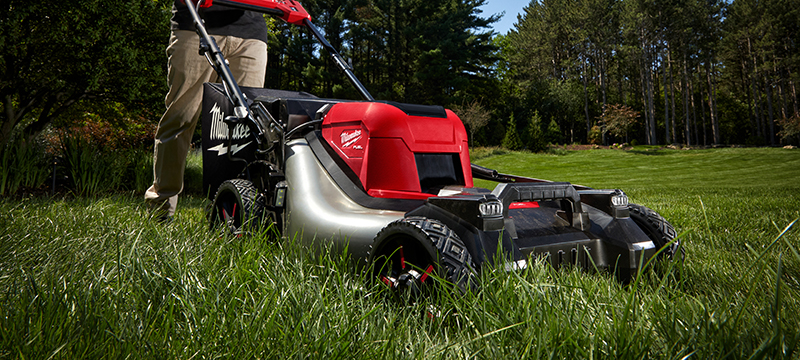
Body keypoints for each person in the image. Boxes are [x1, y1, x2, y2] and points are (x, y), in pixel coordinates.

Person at [145, 0, 268, 221]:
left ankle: (231, 212)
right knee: (181, 117)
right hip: (195, 24)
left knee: (244, 128)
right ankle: (160, 210)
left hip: (251, 32)